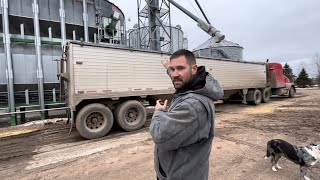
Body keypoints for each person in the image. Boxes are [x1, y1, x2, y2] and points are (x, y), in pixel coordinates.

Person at [150, 49, 224, 180]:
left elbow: (160, 136)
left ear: (194, 69)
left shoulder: (192, 105)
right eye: (172, 69)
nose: (174, 74)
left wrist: (158, 112)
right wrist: (169, 68)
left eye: (180, 68)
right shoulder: (193, 88)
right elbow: (178, 77)